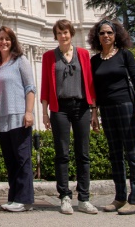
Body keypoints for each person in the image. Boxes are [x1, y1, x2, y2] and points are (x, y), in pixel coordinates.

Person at [88, 18, 135, 216]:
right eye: (102, 33)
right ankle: (120, 197)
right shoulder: (94, 61)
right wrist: (94, 113)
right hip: (106, 109)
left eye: (109, 33)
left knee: (132, 153)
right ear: (97, 37)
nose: (106, 36)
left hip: (126, 106)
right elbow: (93, 89)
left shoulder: (125, 55)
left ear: (116, 35)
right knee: (114, 154)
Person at [40, 19, 98, 215]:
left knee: (83, 154)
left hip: (81, 107)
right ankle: (64, 196)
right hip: (60, 108)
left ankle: (84, 198)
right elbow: (46, 85)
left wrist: (94, 109)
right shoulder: (49, 56)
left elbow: (89, 82)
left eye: (66, 32)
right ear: (55, 35)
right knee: (62, 154)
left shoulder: (83, 54)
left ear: (71, 34)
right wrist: (45, 112)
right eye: (59, 33)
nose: (63, 36)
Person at [0, 26, 36, 212]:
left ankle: (25, 200)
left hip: (19, 116)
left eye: (7, 39)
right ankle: (14, 197)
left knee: (23, 158)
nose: (4, 42)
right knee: (10, 160)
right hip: (1, 118)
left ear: (13, 41)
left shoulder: (20, 61)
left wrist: (29, 112)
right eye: (0, 39)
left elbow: (30, 87)